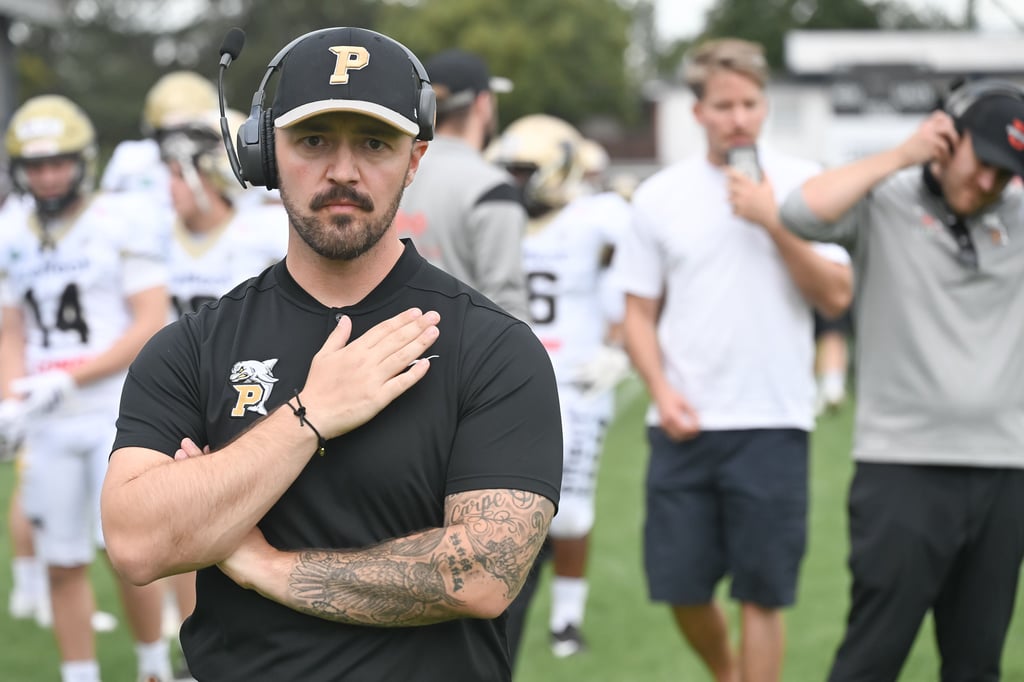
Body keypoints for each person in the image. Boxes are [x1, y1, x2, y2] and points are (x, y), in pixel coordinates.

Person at [100, 26, 562, 682]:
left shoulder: (493, 348)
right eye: (313, 140)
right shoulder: (193, 346)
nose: (342, 171)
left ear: (414, 158)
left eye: (374, 142)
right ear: (265, 153)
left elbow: (483, 574)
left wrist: (267, 567)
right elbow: (135, 543)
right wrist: (309, 415)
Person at [613, 38, 853, 682]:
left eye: (750, 102)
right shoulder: (660, 196)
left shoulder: (805, 182)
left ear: (765, 104)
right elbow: (637, 313)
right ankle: (728, 673)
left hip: (774, 419)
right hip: (684, 420)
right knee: (682, 589)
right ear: (698, 113)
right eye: (724, 105)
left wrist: (774, 222)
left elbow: (836, 293)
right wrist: (661, 392)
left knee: (763, 592)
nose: (739, 117)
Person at [779, 78, 1024, 682]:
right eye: (984, 163)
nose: (990, 183)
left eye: (1006, 172)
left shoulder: (1017, 214)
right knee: (872, 659)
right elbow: (798, 210)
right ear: (947, 137)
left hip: (1005, 470)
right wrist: (900, 155)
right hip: (902, 469)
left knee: (977, 665)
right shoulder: (885, 201)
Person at [0, 95, 173, 682]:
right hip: (48, 418)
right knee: (61, 560)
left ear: (84, 161)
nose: (47, 177)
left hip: (113, 411)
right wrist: (9, 400)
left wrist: (67, 379)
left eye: (58, 163)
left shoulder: (118, 219)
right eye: (34, 166)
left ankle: (153, 665)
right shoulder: (10, 228)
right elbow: (11, 329)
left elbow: (151, 319)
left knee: (130, 555)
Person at [491, 114, 631, 659]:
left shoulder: (598, 217)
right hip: (513, 379)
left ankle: (566, 619)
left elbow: (644, 266)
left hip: (578, 379)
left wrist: (616, 341)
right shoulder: (498, 217)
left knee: (570, 513)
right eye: (512, 169)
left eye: (526, 169)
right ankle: (508, 600)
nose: (517, 180)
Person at [395, 48, 529, 320]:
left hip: (382, 351)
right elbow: (506, 304)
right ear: (483, 103)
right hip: (465, 356)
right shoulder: (491, 187)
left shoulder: (390, 171)